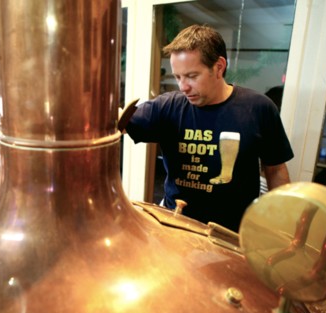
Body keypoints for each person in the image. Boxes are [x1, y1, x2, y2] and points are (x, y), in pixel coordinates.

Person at [121, 24, 294, 232]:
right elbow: (117, 125)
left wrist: (283, 221)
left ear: (219, 67)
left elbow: (275, 169)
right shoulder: (167, 107)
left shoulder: (259, 108)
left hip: (232, 233)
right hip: (176, 225)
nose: (183, 87)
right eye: (178, 77)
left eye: (192, 76)